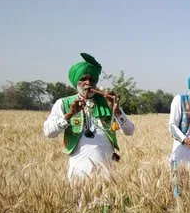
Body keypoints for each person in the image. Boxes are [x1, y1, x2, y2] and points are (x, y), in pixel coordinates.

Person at [43, 53, 135, 181]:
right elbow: (49, 132)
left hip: (107, 175)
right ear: (76, 82)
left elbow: (129, 131)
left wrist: (117, 111)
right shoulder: (64, 103)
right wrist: (69, 114)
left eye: (92, 79)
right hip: (78, 175)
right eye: (83, 79)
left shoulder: (108, 102)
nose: (88, 83)